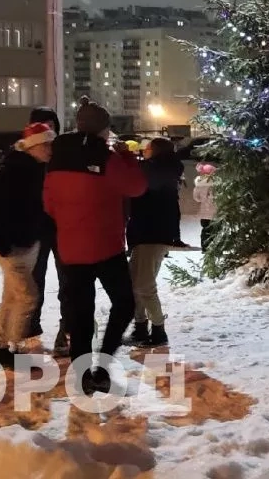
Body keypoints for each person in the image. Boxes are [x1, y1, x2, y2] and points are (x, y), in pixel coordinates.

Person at [43, 98, 147, 395]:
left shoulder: (58, 158)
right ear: (104, 129)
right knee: (124, 304)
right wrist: (127, 158)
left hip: (71, 249)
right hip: (105, 247)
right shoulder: (107, 158)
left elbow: (49, 204)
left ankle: (82, 375)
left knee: (80, 313)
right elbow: (136, 187)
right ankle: (101, 366)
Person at [0, 122, 54, 369]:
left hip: (26, 244)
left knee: (12, 296)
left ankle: (1, 347)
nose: (50, 148)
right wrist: (4, 246)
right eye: (46, 144)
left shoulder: (37, 171)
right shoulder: (11, 175)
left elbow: (37, 209)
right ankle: (12, 348)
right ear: (33, 147)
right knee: (28, 297)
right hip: (12, 247)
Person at [125, 137, 185, 348]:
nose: (144, 150)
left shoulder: (159, 169)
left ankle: (158, 330)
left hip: (153, 233)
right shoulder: (160, 168)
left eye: (147, 147)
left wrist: (126, 159)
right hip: (144, 232)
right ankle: (140, 328)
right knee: (134, 283)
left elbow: (139, 181)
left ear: (157, 151)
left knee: (144, 285)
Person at [25, 107, 67, 356]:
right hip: (36, 230)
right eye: (42, 125)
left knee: (68, 282)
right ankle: (30, 326)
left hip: (62, 227)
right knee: (34, 281)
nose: (48, 131)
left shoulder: (63, 155)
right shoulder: (24, 160)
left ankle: (67, 329)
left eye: (51, 125)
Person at [193, 162, 218, 250]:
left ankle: (205, 246)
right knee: (215, 229)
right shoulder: (216, 185)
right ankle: (214, 246)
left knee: (205, 230)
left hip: (204, 213)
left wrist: (203, 200)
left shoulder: (199, 185)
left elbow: (196, 198)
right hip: (215, 212)